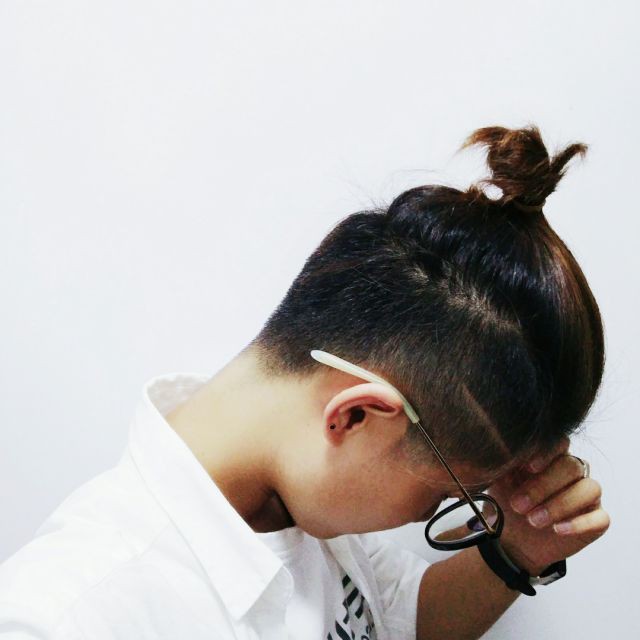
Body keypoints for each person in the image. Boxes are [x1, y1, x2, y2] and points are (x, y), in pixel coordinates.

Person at [0, 125, 610, 640]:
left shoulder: (298, 493)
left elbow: (398, 616)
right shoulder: (68, 617)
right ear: (356, 415)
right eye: (447, 496)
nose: (424, 515)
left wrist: (516, 550)